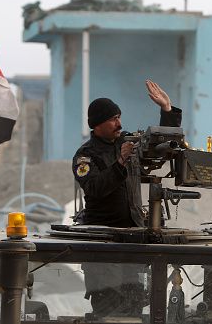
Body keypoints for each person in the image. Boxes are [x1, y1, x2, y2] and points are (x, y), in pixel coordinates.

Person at [72, 79, 182, 228]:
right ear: (97, 125)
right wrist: (121, 161)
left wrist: (167, 109)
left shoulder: (127, 141)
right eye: (113, 119)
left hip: (134, 226)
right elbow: (94, 188)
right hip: (102, 231)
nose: (119, 124)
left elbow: (158, 147)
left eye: (119, 117)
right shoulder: (85, 155)